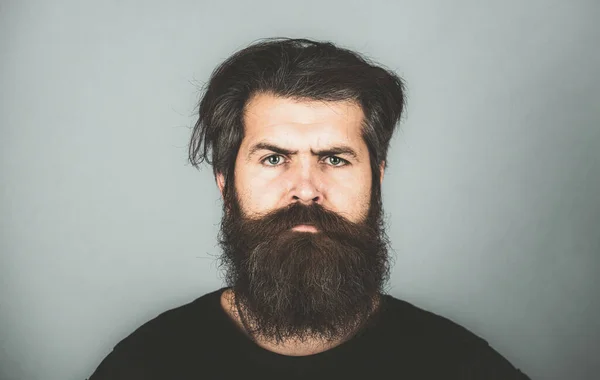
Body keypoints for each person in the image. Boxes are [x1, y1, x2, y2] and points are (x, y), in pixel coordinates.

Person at [88, 37, 531, 379]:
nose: (305, 190)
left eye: (334, 159)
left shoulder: (460, 367)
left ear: (377, 178)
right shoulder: (145, 367)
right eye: (274, 158)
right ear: (225, 183)